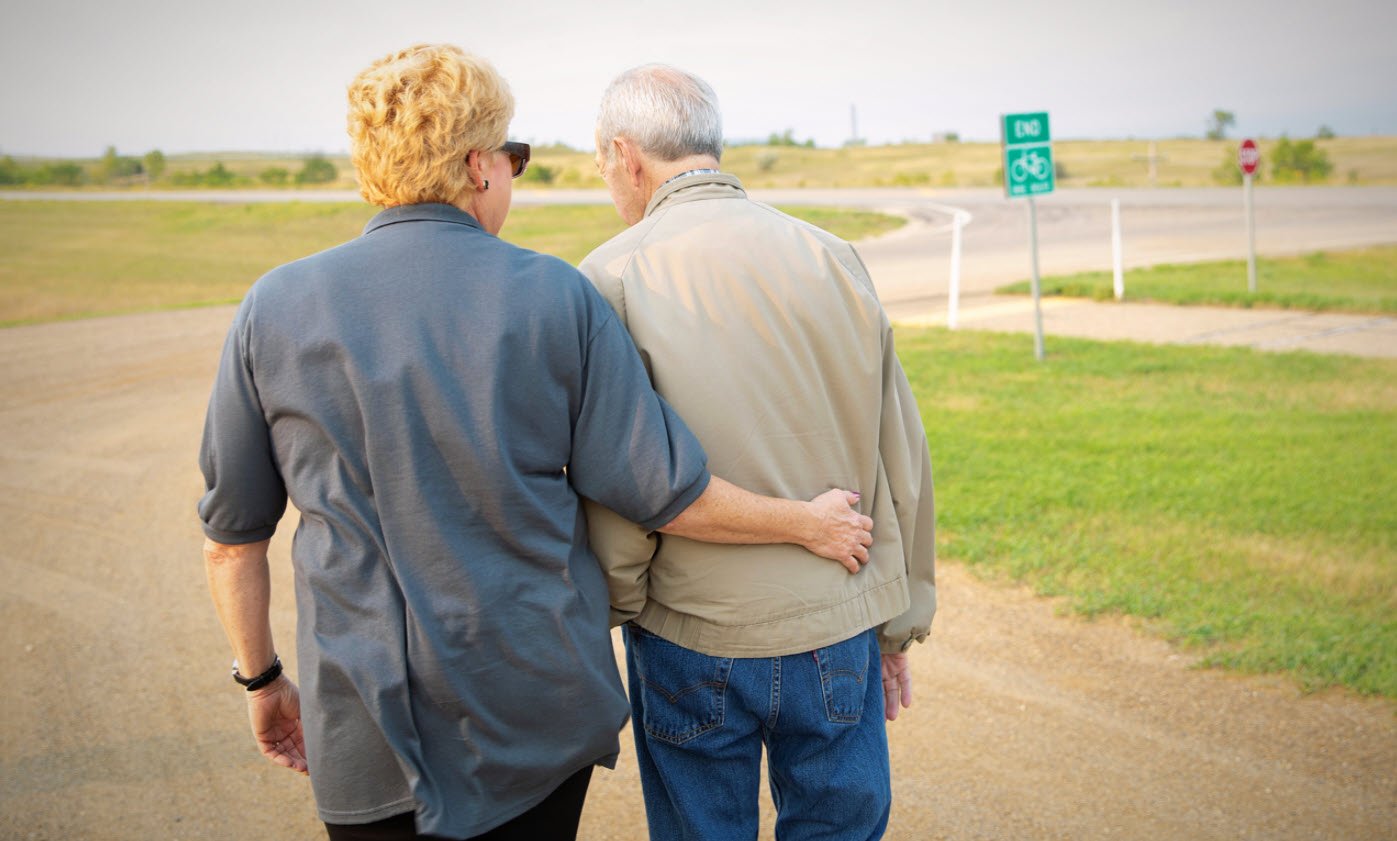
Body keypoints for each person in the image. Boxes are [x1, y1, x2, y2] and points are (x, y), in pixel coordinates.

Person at [198, 45, 873, 841]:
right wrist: (805, 522)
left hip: (365, 713)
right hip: (533, 707)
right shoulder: (554, 293)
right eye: (513, 155)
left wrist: (263, 679)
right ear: (479, 166)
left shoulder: (273, 307)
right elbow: (664, 491)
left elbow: (233, 542)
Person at [580, 65, 937, 840]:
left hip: (690, 630)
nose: (608, 180)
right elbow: (897, 449)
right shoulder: (830, 253)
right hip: (837, 617)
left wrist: (620, 602)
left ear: (625, 154)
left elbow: (620, 480)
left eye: (603, 165)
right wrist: (897, 615)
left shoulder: (609, 274)